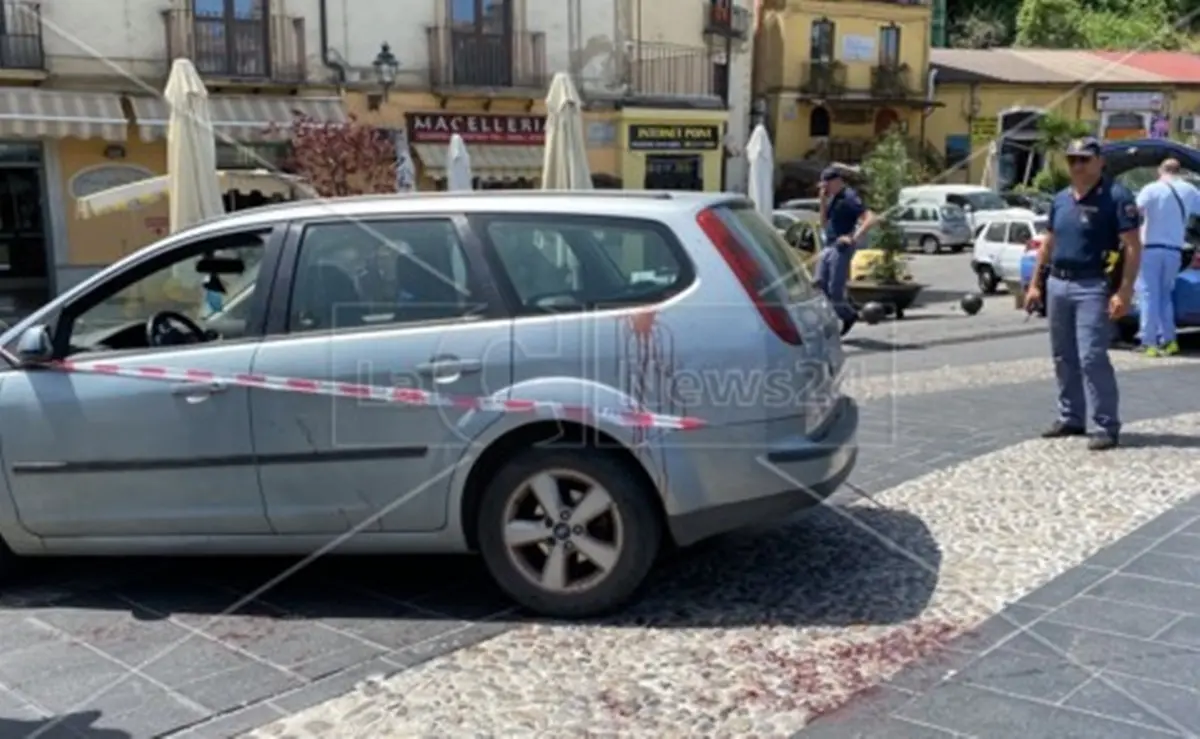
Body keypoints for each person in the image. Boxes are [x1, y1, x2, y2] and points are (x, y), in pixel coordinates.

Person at [1026, 137, 1142, 451]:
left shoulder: (1116, 197)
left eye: (1084, 159)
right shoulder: (1061, 199)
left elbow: (1132, 245)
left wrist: (1125, 290)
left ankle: (1106, 424)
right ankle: (1071, 417)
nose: (1077, 166)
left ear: (1100, 162)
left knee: (1092, 355)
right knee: (1063, 355)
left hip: (1093, 284)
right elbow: (1048, 243)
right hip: (1058, 284)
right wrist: (1036, 283)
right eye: (1072, 160)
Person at [1134, 157, 1200, 356]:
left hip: (1151, 248)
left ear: (1160, 170)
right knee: (1165, 295)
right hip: (1174, 250)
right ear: (1178, 171)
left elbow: (1135, 211)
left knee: (1148, 294)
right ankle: (1169, 339)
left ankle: (1148, 341)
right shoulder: (1190, 190)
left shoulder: (1151, 188)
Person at [816, 166, 878, 333]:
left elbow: (870, 218)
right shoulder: (834, 198)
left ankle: (848, 315)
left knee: (835, 289)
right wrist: (822, 201)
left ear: (836, 182)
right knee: (820, 284)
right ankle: (832, 319)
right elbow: (823, 223)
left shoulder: (849, 196)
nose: (824, 189)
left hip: (841, 248)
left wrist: (854, 237)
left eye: (826, 185)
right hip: (828, 245)